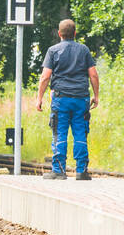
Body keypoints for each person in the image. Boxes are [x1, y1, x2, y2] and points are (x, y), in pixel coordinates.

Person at [36, 19, 99, 179]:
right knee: (80, 132)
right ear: (75, 33)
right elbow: (93, 74)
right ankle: (81, 171)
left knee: (60, 132)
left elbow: (45, 77)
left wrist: (39, 98)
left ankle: (59, 171)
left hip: (61, 98)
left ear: (59, 34)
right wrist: (96, 95)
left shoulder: (53, 51)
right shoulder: (84, 50)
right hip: (81, 99)